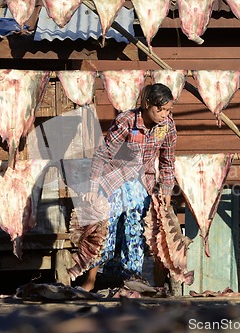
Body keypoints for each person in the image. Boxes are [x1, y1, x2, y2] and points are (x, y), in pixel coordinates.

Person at [81, 83, 177, 291]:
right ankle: (90, 280)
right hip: (115, 180)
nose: (164, 114)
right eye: (160, 109)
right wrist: (93, 186)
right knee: (107, 228)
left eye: (168, 110)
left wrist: (167, 188)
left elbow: (167, 160)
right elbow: (103, 154)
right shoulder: (126, 121)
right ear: (147, 104)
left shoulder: (166, 126)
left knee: (135, 228)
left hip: (142, 183)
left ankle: (131, 278)